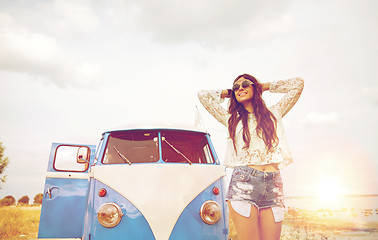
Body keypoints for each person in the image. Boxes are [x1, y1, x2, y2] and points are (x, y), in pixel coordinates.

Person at [198, 74, 304, 240]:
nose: (240, 88)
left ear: (255, 87)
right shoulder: (231, 119)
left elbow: (297, 84)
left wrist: (263, 86)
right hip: (243, 185)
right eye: (236, 87)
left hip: (273, 185)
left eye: (245, 84)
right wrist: (229, 92)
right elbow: (203, 96)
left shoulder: (274, 113)